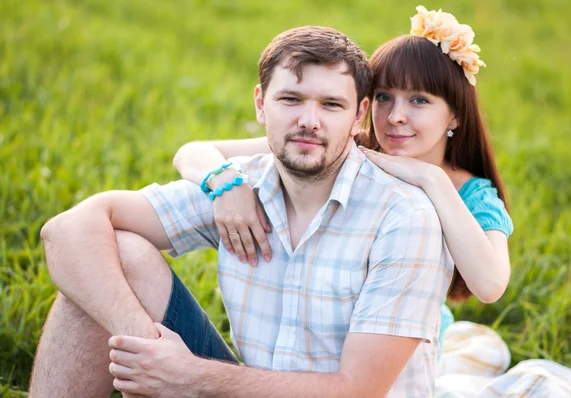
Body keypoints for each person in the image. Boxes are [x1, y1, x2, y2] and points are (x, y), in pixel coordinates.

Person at [30, 24, 452, 398]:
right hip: (240, 388)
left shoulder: (404, 217)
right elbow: (67, 231)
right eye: (291, 99)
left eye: (331, 105)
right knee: (114, 258)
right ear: (260, 103)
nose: (309, 120)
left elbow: (358, 390)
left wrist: (191, 376)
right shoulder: (241, 186)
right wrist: (151, 351)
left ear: (359, 114)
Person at [173, 5, 513, 355]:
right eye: (385, 97)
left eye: (418, 100)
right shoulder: (342, 148)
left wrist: (432, 180)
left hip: (402, 345)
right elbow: (193, 152)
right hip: (321, 326)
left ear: (455, 115)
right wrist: (226, 182)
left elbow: (489, 285)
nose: (396, 116)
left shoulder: (471, 193)